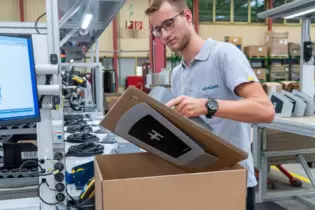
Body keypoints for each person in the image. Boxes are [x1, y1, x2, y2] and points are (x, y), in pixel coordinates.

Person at [145, 0, 275, 209]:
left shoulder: (224, 55)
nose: (165, 35)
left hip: (233, 179)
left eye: (168, 24)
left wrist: (208, 105)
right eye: (158, 30)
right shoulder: (178, 74)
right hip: (197, 178)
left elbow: (265, 110)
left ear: (187, 17)